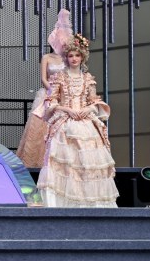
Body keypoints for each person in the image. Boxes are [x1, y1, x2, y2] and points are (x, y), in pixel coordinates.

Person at [37, 33, 118, 207]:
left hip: (85, 122)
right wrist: (67, 110)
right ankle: (63, 203)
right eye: (70, 55)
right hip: (65, 122)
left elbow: (93, 101)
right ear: (66, 58)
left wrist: (88, 109)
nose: (74, 59)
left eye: (77, 55)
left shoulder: (87, 78)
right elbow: (51, 100)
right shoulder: (59, 77)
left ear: (82, 57)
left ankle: (88, 202)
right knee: (66, 163)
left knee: (88, 163)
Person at [16, 9, 72, 167]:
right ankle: (37, 162)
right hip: (48, 94)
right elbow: (43, 79)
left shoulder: (68, 58)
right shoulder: (46, 57)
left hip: (64, 95)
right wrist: (52, 91)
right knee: (40, 128)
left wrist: (63, 92)